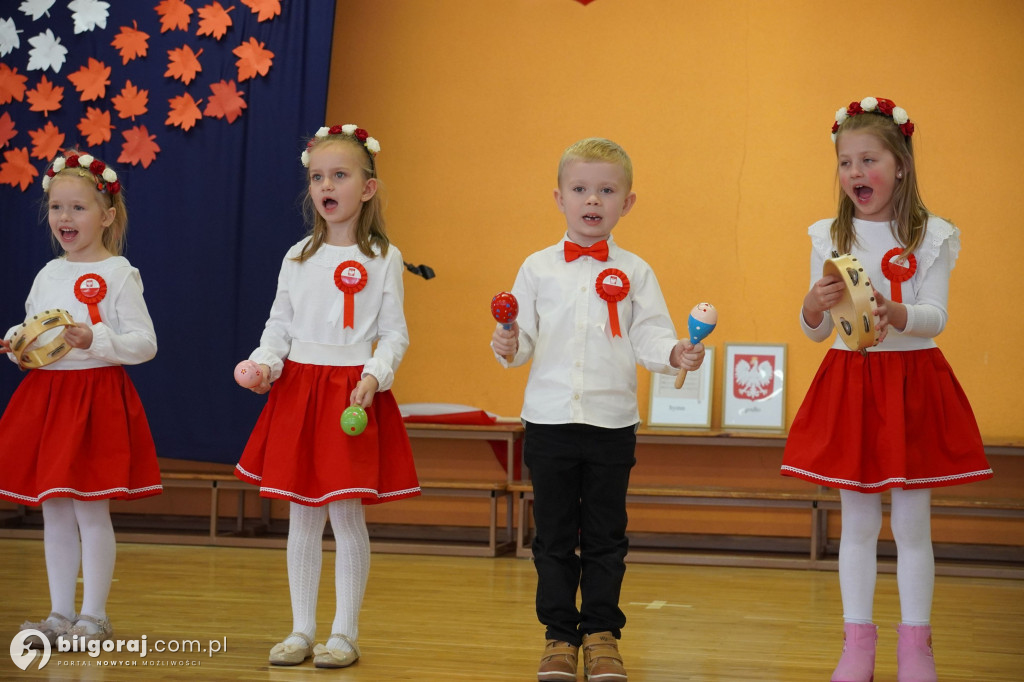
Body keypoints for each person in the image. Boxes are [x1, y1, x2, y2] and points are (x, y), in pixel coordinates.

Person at [781, 97, 993, 682]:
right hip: (851, 383)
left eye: (867, 159)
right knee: (856, 521)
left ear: (899, 163)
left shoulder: (932, 235)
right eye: (845, 162)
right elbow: (817, 330)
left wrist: (896, 311)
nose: (855, 173)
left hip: (913, 383)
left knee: (912, 523)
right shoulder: (828, 236)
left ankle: (916, 647)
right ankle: (857, 645)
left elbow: (935, 318)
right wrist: (810, 306)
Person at [491, 138, 705, 682]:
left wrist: (675, 352)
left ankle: (603, 634)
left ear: (627, 203)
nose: (593, 200)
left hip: (612, 424)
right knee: (554, 536)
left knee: (608, 534)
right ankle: (560, 636)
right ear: (558, 197)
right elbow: (523, 339)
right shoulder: (537, 268)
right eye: (581, 189)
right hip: (549, 420)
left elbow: (650, 336)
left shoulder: (636, 272)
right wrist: (508, 341)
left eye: (606, 191)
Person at [234, 124, 420, 669]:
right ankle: (300, 630)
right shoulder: (297, 256)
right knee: (301, 517)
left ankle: (343, 633)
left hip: (350, 393)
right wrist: (263, 364)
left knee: (345, 514)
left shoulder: (385, 257)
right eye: (317, 176)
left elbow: (395, 332)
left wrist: (376, 374)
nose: (326, 185)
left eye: (339, 174)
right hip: (299, 391)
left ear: (367, 188)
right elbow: (279, 327)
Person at [0, 150, 161, 647]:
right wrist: (16, 343)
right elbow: (35, 330)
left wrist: (97, 340)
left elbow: (145, 343)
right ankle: (59, 613)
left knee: (91, 510)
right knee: (54, 508)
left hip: (96, 398)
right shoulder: (47, 273)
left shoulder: (119, 273)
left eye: (78, 208)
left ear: (106, 215)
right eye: (56, 208)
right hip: (49, 397)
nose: (64, 218)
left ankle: (94, 615)